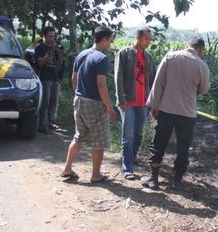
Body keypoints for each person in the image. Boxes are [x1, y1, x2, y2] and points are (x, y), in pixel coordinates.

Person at [141, 37, 210, 190]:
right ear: (200, 49)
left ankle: (153, 178)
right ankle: (177, 181)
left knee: (158, 143)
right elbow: (204, 90)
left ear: (189, 45)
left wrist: (153, 105)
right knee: (183, 146)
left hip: (166, 109)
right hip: (187, 113)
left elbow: (158, 83)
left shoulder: (170, 57)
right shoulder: (202, 65)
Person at [60, 26, 117, 183]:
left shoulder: (82, 54)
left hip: (79, 101)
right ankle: (96, 174)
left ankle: (67, 169)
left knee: (79, 136)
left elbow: (73, 79)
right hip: (95, 104)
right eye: (110, 41)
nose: (110, 44)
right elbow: (101, 85)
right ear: (104, 39)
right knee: (99, 140)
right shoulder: (102, 58)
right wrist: (110, 108)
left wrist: (80, 94)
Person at [114, 27, 156, 180]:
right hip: (128, 101)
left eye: (150, 39)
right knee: (128, 135)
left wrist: (153, 100)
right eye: (146, 39)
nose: (148, 42)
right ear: (138, 38)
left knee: (138, 133)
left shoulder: (148, 57)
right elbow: (118, 78)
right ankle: (127, 168)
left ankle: (131, 156)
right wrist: (121, 99)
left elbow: (152, 79)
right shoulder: (124, 54)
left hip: (143, 102)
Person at [35, 26, 64, 134]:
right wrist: (50, 52)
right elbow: (40, 63)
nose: (52, 38)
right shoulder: (40, 47)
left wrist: (60, 54)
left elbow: (59, 64)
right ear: (44, 36)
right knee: (45, 102)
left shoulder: (56, 47)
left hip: (55, 77)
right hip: (45, 77)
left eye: (53, 36)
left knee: (53, 102)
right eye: (50, 36)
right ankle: (43, 125)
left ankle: (50, 122)